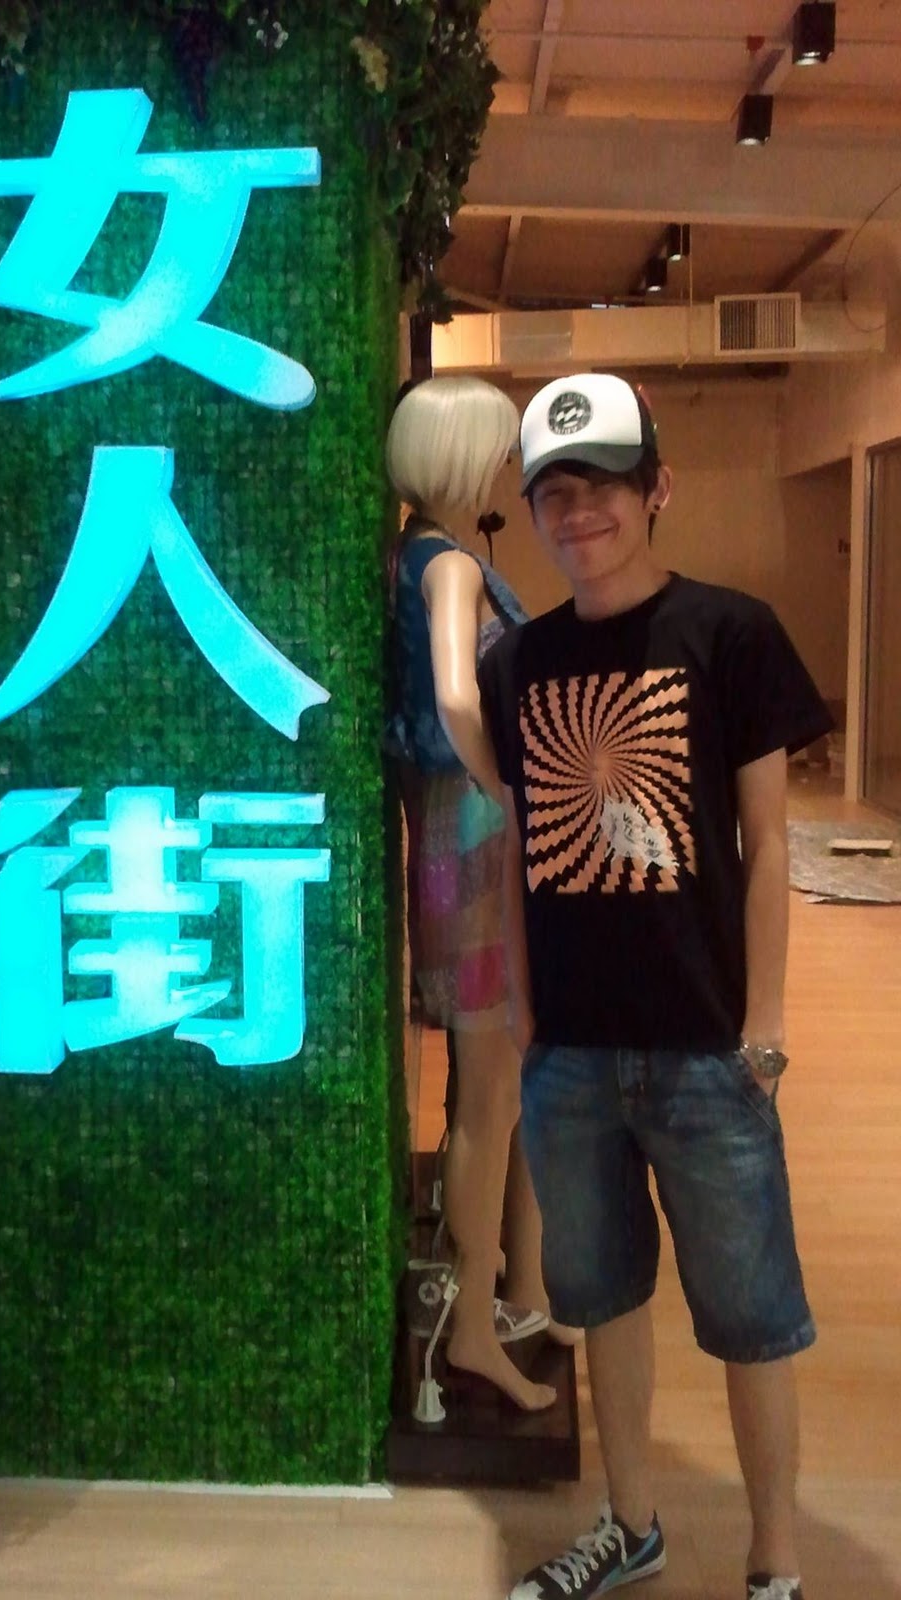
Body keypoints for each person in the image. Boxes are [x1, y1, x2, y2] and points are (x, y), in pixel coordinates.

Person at [476, 374, 832, 1599]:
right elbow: (522, 842)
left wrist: (765, 1026)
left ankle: (776, 1562)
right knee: (602, 1299)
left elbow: (770, 843)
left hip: (705, 1046)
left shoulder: (731, 634)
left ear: (657, 489)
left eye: (606, 487)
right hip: (571, 1054)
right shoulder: (521, 662)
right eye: (555, 494)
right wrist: (525, 1012)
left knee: (752, 1315)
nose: (580, 514)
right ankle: (630, 1524)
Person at [386, 376, 564, 1414]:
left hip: (458, 830)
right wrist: (504, 780)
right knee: (492, 1088)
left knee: (499, 1077)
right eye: (495, 450)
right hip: (474, 832)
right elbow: (458, 692)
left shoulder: (417, 554)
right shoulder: (448, 564)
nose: (505, 468)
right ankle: (472, 1333)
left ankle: (521, 1290)